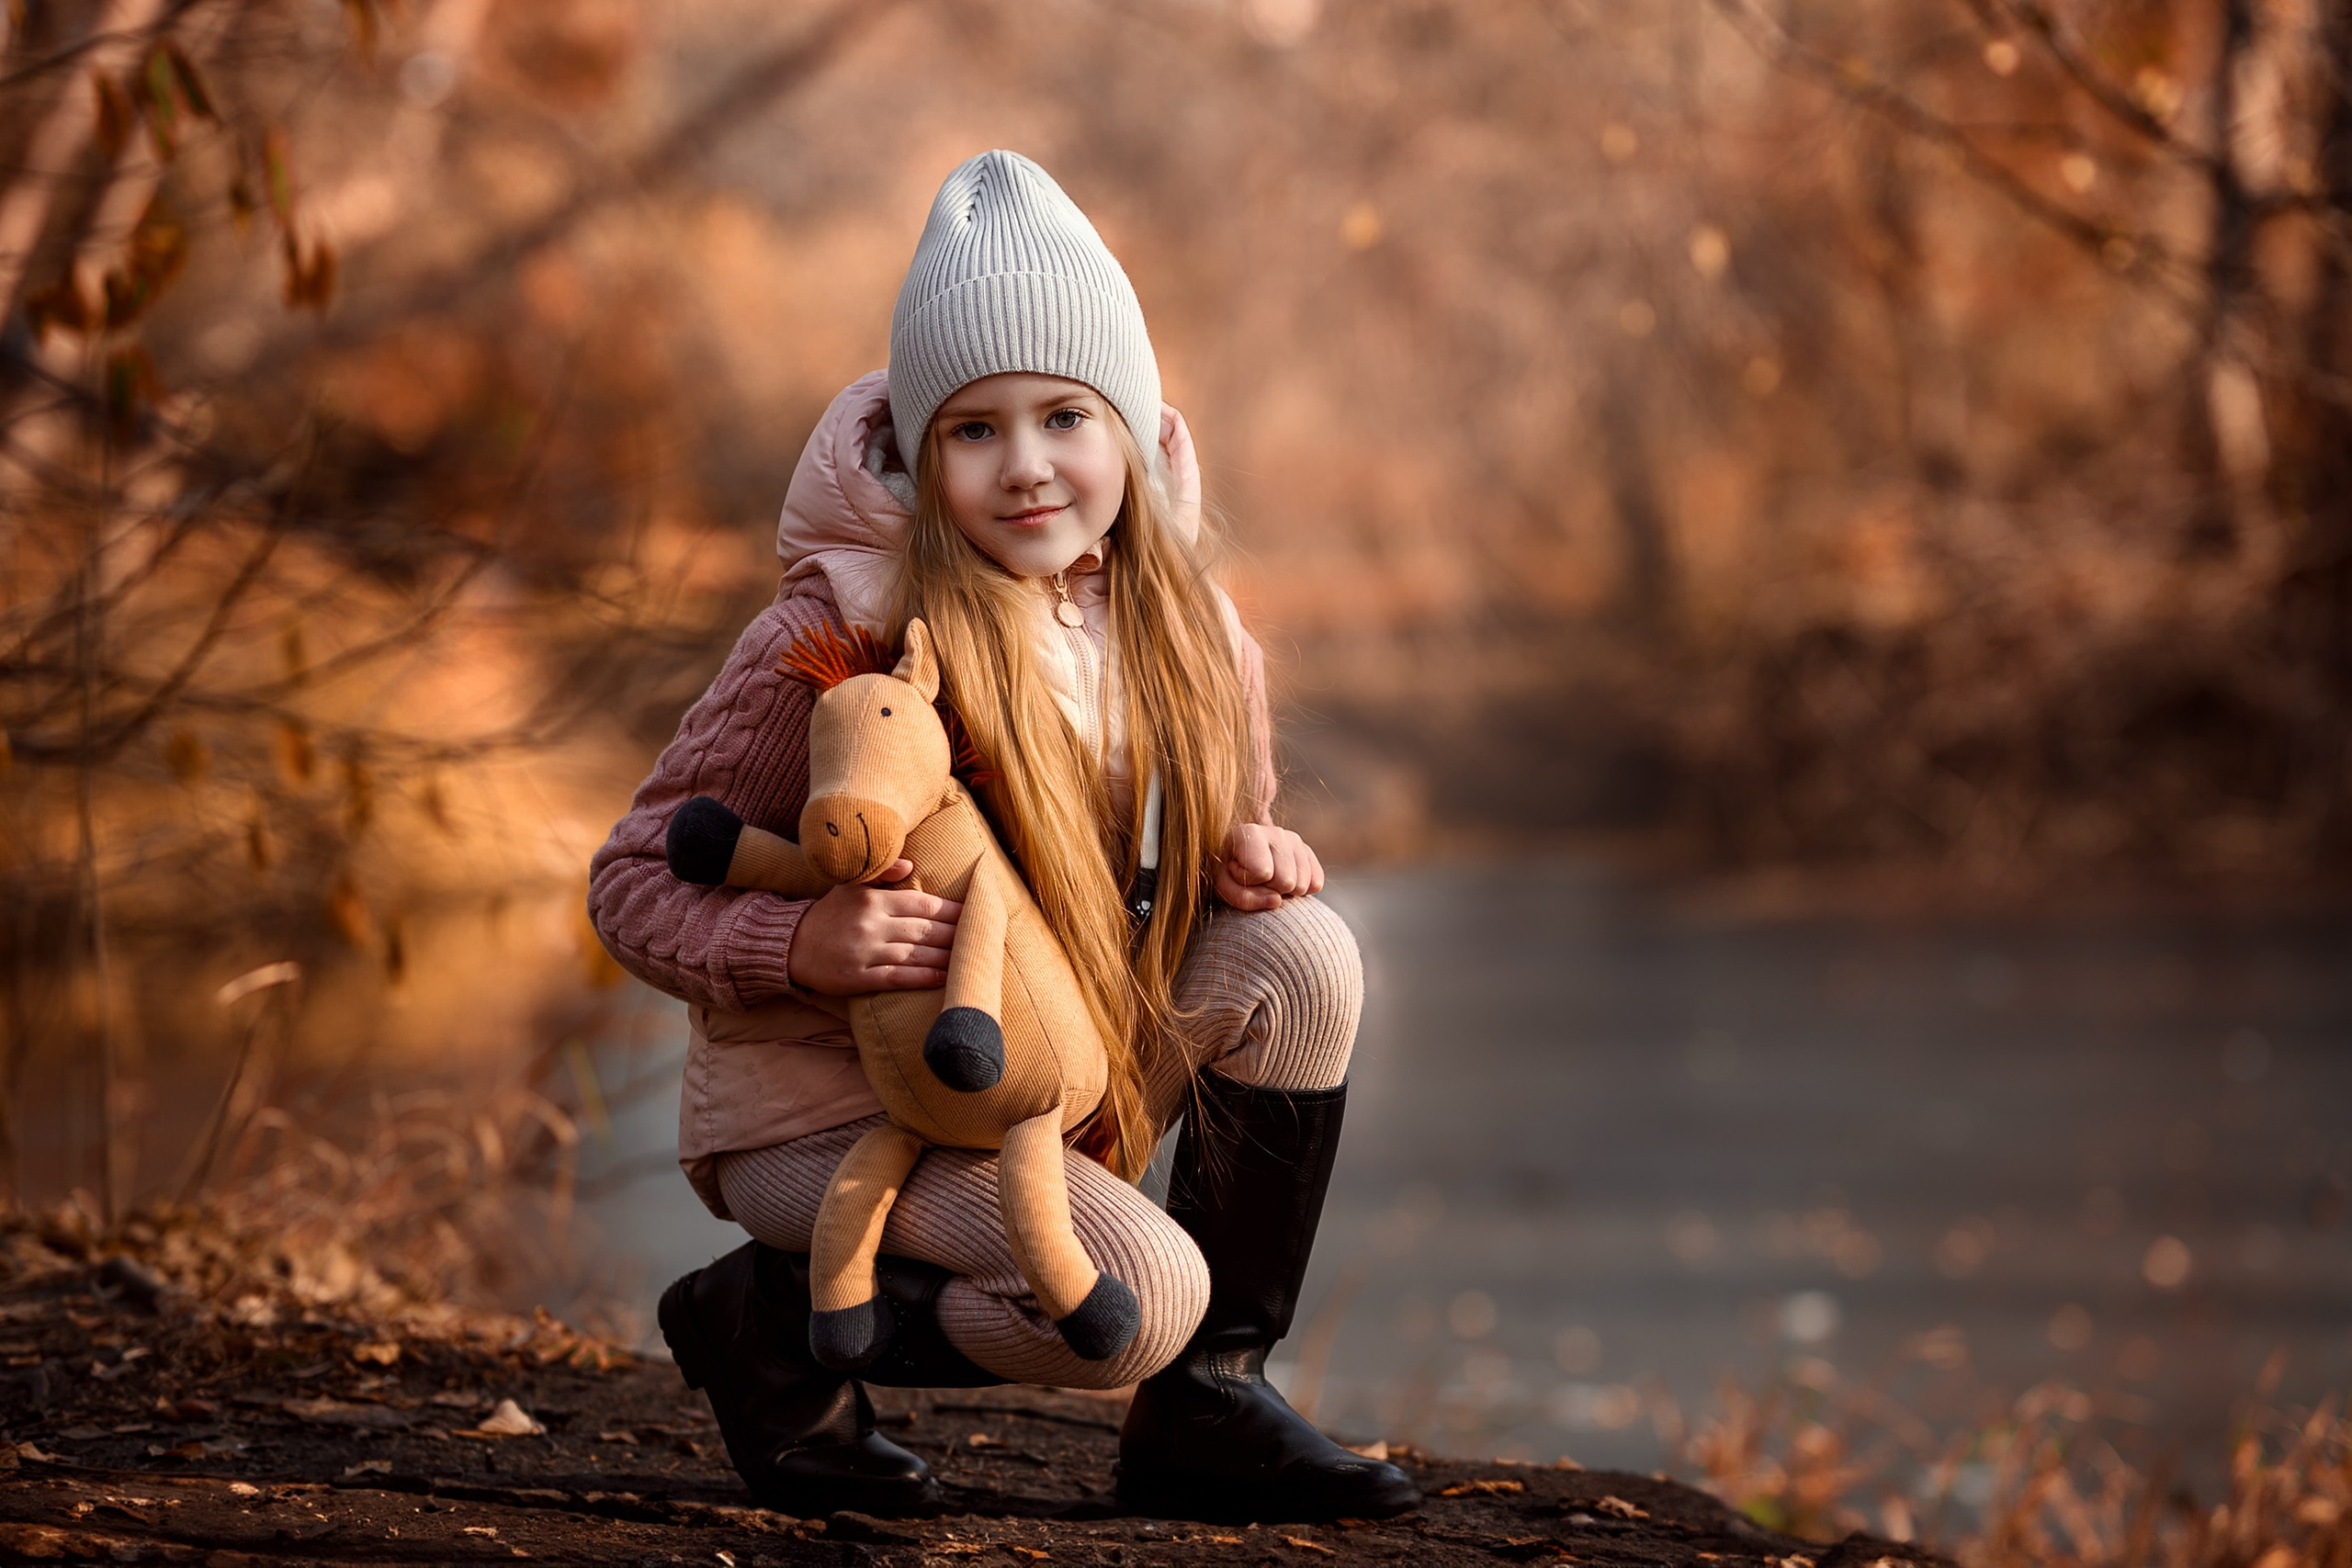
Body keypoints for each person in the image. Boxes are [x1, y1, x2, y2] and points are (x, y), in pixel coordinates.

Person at [587, 150, 1417, 1524]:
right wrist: (802, 939)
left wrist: (1240, 857)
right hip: (832, 1109)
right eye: (974, 430)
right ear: (917, 449)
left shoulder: (1193, 634)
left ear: (1135, 429)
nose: (1027, 467)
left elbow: (1201, 848)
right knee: (1139, 1297)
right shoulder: (838, 633)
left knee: (1303, 956)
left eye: (1064, 417)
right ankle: (768, 1324)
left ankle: (1211, 1405)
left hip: (1047, 1056)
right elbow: (631, 880)